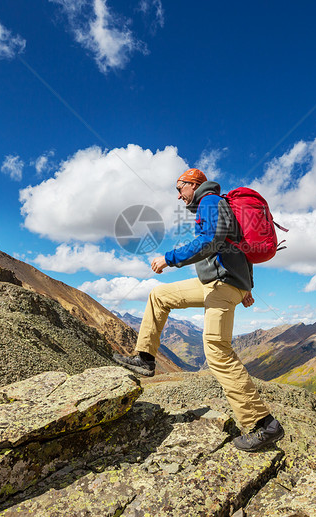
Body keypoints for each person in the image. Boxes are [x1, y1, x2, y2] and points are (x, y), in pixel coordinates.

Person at [113, 168, 284, 452]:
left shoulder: (210, 202)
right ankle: (145, 358)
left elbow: (210, 241)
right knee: (160, 295)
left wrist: (169, 258)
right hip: (217, 283)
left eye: (179, 189)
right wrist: (247, 286)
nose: (178, 196)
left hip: (221, 284)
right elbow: (239, 248)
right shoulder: (217, 204)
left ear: (193, 184)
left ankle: (264, 425)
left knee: (217, 350)